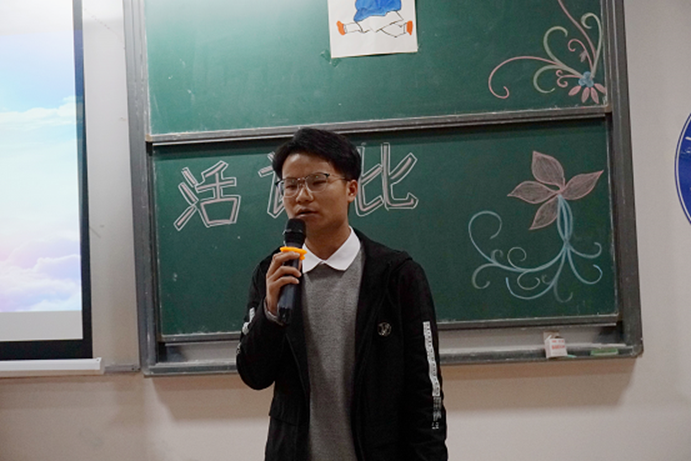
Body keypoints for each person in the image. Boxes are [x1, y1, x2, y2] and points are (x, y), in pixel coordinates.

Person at [236, 127, 448, 461]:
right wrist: (271, 313)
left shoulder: (396, 275)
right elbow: (254, 375)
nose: (302, 196)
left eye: (317, 181)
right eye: (291, 185)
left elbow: (426, 391)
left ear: (351, 189)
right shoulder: (272, 272)